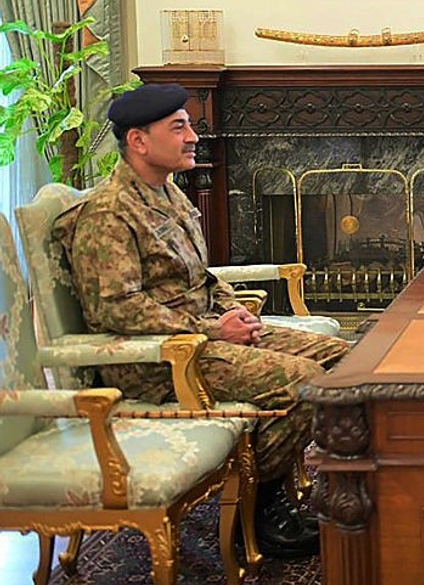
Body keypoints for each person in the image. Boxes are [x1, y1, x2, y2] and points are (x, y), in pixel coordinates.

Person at [53, 83, 350, 558]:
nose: (193, 135)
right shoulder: (109, 213)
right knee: (307, 384)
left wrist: (230, 307)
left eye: (189, 124)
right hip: (159, 360)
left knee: (349, 362)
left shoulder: (166, 193)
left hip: (204, 334)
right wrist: (215, 330)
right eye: (179, 127)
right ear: (138, 141)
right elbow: (115, 308)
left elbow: (201, 277)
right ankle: (258, 511)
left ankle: (287, 487)